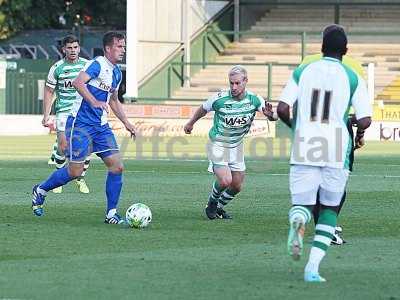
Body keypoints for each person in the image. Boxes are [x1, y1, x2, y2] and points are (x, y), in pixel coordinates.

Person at [277, 24, 372, 282]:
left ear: (320, 48)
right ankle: (312, 269)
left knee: (303, 204)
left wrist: (297, 128)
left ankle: (298, 220)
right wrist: (349, 119)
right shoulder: (353, 77)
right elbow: (365, 120)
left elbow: (283, 108)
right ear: (346, 50)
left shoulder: (304, 70)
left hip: (305, 144)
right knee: (329, 208)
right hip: (337, 147)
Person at [32, 31, 136, 224]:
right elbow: (79, 83)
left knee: (117, 167)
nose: (123, 49)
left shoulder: (116, 72)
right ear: (108, 48)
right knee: (75, 172)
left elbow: (113, 100)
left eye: (124, 46)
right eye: (119, 46)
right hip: (80, 125)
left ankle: (111, 213)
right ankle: (41, 189)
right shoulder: (97, 64)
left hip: (101, 127)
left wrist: (127, 123)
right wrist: (94, 101)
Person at [184, 65, 276, 220]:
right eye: (231, 83)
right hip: (218, 144)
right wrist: (190, 123)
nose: (234, 87)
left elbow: (273, 116)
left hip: (237, 145)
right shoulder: (219, 99)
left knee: (237, 185)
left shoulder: (254, 100)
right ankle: (212, 202)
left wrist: (270, 115)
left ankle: (219, 207)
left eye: (237, 83)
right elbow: (203, 109)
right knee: (226, 180)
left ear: (245, 81)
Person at [301, 50, 366, 245]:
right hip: (338, 127)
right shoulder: (353, 66)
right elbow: (363, 116)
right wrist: (360, 134)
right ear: (345, 48)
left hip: (311, 127)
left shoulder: (308, 61)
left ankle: (323, 225)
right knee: (338, 180)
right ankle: (327, 228)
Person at [42, 35, 91, 194]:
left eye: (75, 47)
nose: (73, 50)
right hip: (63, 111)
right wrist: (46, 114)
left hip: (83, 112)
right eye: (69, 48)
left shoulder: (87, 65)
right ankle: (58, 179)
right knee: (63, 147)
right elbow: (49, 91)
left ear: (79, 48)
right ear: (63, 49)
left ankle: (80, 178)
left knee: (87, 147)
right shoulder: (57, 67)